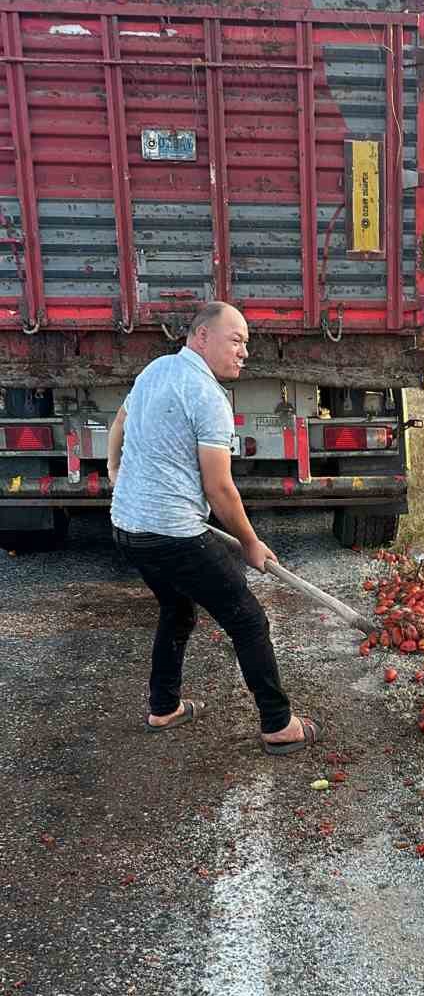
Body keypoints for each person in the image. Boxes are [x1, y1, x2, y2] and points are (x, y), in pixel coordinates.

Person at [108, 301, 318, 754]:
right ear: (201, 337)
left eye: (247, 343)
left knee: (177, 608)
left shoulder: (156, 370)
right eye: (236, 340)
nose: (244, 352)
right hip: (172, 534)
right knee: (248, 619)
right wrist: (251, 544)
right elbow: (219, 489)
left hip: (126, 528)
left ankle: (163, 707)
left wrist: (113, 469)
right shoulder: (208, 396)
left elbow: (119, 422)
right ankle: (278, 724)